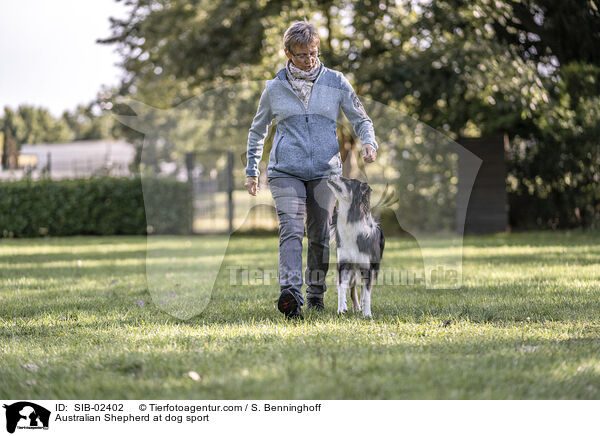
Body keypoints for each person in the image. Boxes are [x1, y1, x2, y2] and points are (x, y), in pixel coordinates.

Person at [245, 20, 378, 320]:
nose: (309, 60)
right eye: (302, 55)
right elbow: (258, 131)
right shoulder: (274, 88)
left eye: (314, 53)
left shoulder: (336, 81)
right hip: (285, 171)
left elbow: (361, 118)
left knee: (318, 235)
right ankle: (291, 295)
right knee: (291, 230)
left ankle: (316, 294)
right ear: (288, 53)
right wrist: (252, 170)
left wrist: (369, 142)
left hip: (324, 171)